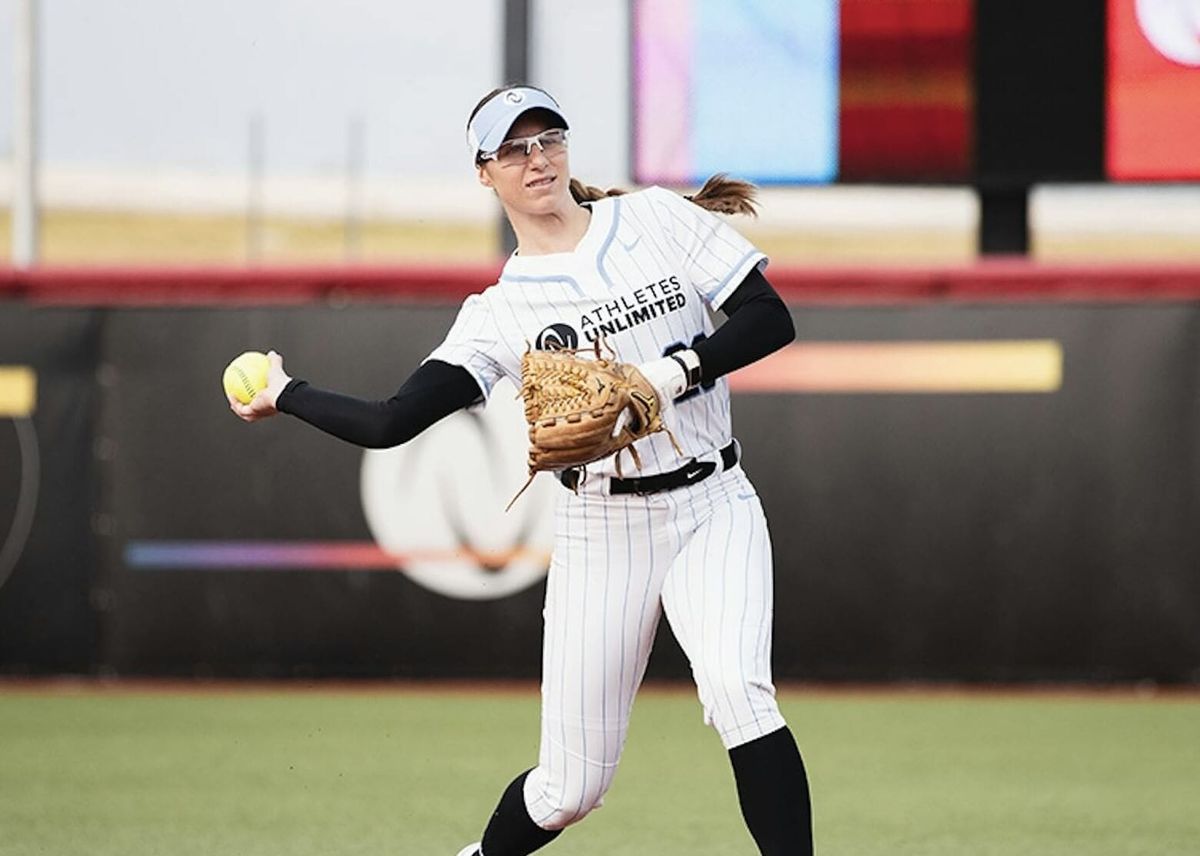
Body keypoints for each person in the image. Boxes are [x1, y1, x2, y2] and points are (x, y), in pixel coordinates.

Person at [228, 84, 812, 856]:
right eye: (513, 148)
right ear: (484, 172)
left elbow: (771, 317)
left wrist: (670, 375)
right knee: (569, 788)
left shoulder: (654, 219)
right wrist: (286, 394)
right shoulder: (499, 312)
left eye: (548, 139)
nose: (536, 159)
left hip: (714, 500)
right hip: (604, 528)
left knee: (741, 694)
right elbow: (391, 420)